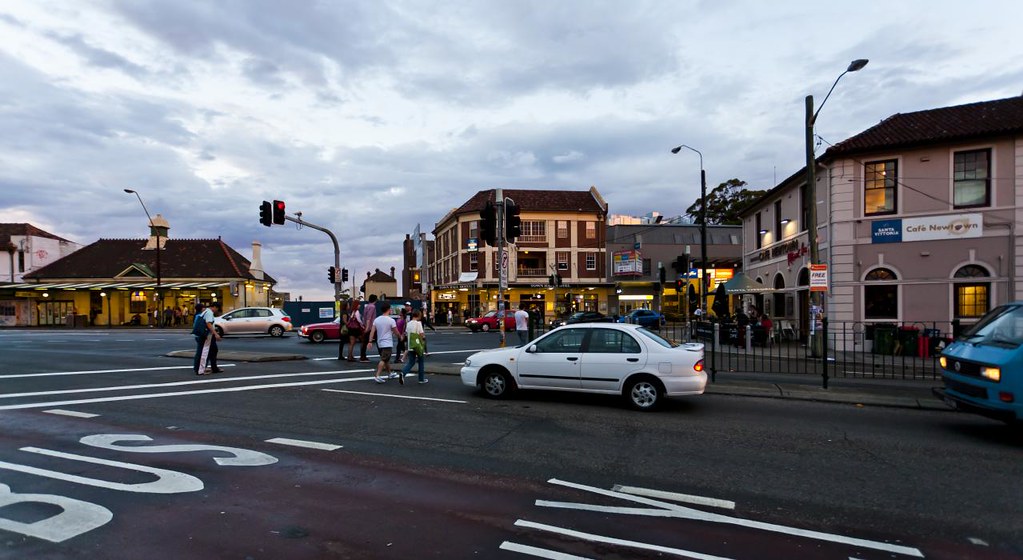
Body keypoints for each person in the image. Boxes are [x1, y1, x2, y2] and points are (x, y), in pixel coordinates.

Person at [368, 302, 402, 384]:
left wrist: (370, 341)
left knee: (386, 359)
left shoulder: (377, 320)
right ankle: (377, 375)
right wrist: (400, 337)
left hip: (379, 342)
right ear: (388, 309)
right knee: (384, 359)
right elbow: (396, 331)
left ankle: (390, 373)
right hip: (387, 343)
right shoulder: (391, 320)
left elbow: (372, 331)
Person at [193, 301, 223, 375]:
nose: (217, 311)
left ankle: (214, 368)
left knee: (213, 350)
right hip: (207, 335)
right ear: (215, 307)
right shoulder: (209, 312)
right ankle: (200, 370)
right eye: (217, 309)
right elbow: (208, 324)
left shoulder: (206, 311)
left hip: (206, 335)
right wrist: (216, 334)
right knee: (204, 352)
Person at [402, 309, 428, 384]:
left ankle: (403, 373)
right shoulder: (418, 323)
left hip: (411, 345)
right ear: (419, 315)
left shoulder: (408, 323)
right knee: (421, 362)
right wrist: (423, 340)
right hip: (418, 345)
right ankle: (421, 379)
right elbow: (421, 334)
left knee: (411, 362)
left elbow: (407, 334)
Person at [359, 294, 378, 362]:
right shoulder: (372, 307)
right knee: (376, 340)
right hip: (371, 327)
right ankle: (363, 357)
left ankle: (362, 356)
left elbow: (364, 317)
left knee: (364, 342)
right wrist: (367, 327)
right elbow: (369, 318)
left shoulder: (367, 306)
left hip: (367, 326)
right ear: (375, 300)